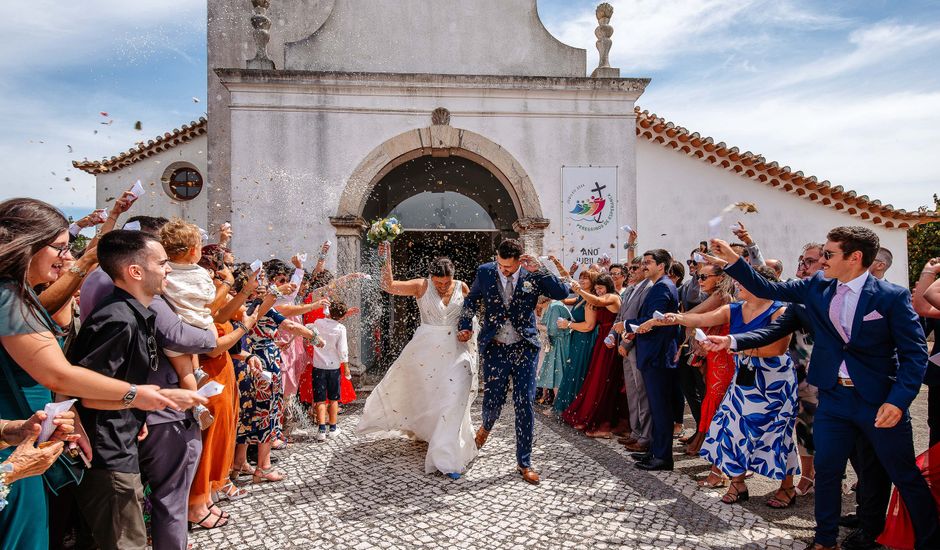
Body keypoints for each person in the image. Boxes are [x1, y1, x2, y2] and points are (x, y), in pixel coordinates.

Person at [707, 228, 940, 550]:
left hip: (878, 401)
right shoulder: (817, 287)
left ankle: (930, 541)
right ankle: (825, 540)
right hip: (833, 397)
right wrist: (735, 262)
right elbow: (768, 287)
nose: (822, 260)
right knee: (828, 471)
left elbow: (915, 355)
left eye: (829, 254)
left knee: (904, 475)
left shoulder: (890, 297)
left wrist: (899, 402)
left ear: (855, 258)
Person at [0, 199, 180, 550]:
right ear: (29, 244)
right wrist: (138, 395)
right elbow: (60, 374)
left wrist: (72, 413)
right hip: (13, 441)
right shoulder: (7, 297)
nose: (68, 258)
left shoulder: (17, 295)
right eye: (61, 248)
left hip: (28, 428)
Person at [70, 230, 206, 550]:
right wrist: (146, 397)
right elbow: (86, 391)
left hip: (122, 440)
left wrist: (142, 412)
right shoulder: (117, 318)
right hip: (107, 452)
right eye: (162, 262)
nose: (169, 268)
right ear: (135, 271)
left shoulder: (136, 314)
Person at [646, 265, 799, 505]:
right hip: (743, 378)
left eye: (743, 282)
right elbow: (702, 317)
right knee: (729, 427)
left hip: (773, 382)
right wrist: (674, 318)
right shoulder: (735, 308)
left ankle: (787, 486)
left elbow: (777, 348)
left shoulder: (779, 311)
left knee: (776, 434)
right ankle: (738, 484)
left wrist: (733, 345)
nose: (737, 284)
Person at [458, 239, 570, 485]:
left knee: (525, 403)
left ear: (520, 261)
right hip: (496, 348)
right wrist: (465, 325)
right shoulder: (485, 271)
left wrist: (540, 269)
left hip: (524, 348)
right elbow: (471, 301)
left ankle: (525, 461)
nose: (504, 270)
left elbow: (563, 292)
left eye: (509, 267)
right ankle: (486, 426)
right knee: (493, 400)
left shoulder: (532, 273)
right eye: (501, 264)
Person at [359, 244, 477, 478]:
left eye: (447, 282)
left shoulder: (462, 287)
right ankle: (431, 433)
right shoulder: (421, 286)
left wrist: (469, 331)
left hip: (456, 349)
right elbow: (388, 286)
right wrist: (386, 257)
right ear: (431, 277)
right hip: (425, 350)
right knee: (429, 397)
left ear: (453, 276)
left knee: (455, 395)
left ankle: (446, 457)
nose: (443, 287)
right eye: (438, 282)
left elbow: (469, 314)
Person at [621, 249, 680, 471]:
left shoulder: (663, 287)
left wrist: (626, 325)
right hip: (654, 353)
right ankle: (655, 451)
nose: (644, 266)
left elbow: (654, 320)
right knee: (656, 408)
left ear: (661, 266)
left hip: (658, 354)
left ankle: (663, 456)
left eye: (648, 263)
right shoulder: (658, 286)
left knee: (661, 408)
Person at [561, 273, 625, 438]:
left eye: (601, 288)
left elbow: (597, 301)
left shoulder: (613, 297)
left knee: (605, 380)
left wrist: (579, 290)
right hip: (602, 341)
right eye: (596, 289)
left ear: (608, 286)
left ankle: (605, 423)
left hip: (612, 342)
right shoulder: (599, 298)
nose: (598, 291)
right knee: (596, 378)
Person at [612, 258, 653, 452]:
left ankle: (645, 435)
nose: (632, 272)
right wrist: (614, 337)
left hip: (636, 344)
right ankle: (635, 431)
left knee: (641, 391)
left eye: (635, 268)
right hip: (624, 343)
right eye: (630, 269)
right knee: (632, 391)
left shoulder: (648, 289)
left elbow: (640, 320)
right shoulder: (630, 290)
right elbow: (621, 317)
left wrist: (627, 342)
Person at [552, 269, 600, 413]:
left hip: (585, 339)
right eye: (581, 278)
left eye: (586, 278)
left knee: (579, 371)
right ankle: (568, 406)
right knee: (572, 371)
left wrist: (568, 324)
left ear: (593, 282)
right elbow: (564, 299)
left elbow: (589, 326)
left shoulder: (590, 300)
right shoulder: (581, 298)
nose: (582, 281)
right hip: (578, 338)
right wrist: (556, 285)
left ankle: (575, 408)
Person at [311, 300, 350, 441]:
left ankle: (321, 430)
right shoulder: (340, 328)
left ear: (329, 311)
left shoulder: (318, 323)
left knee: (320, 399)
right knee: (334, 398)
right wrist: (346, 367)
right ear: (343, 316)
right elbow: (343, 349)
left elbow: (312, 336)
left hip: (318, 366)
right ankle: (333, 428)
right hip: (333, 367)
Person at [535, 296, 571, 408]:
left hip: (559, 343)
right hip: (556, 343)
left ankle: (559, 404)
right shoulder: (553, 305)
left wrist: (536, 326)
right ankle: (557, 403)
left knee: (558, 372)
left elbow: (554, 330)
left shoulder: (555, 307)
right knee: (556, 372)